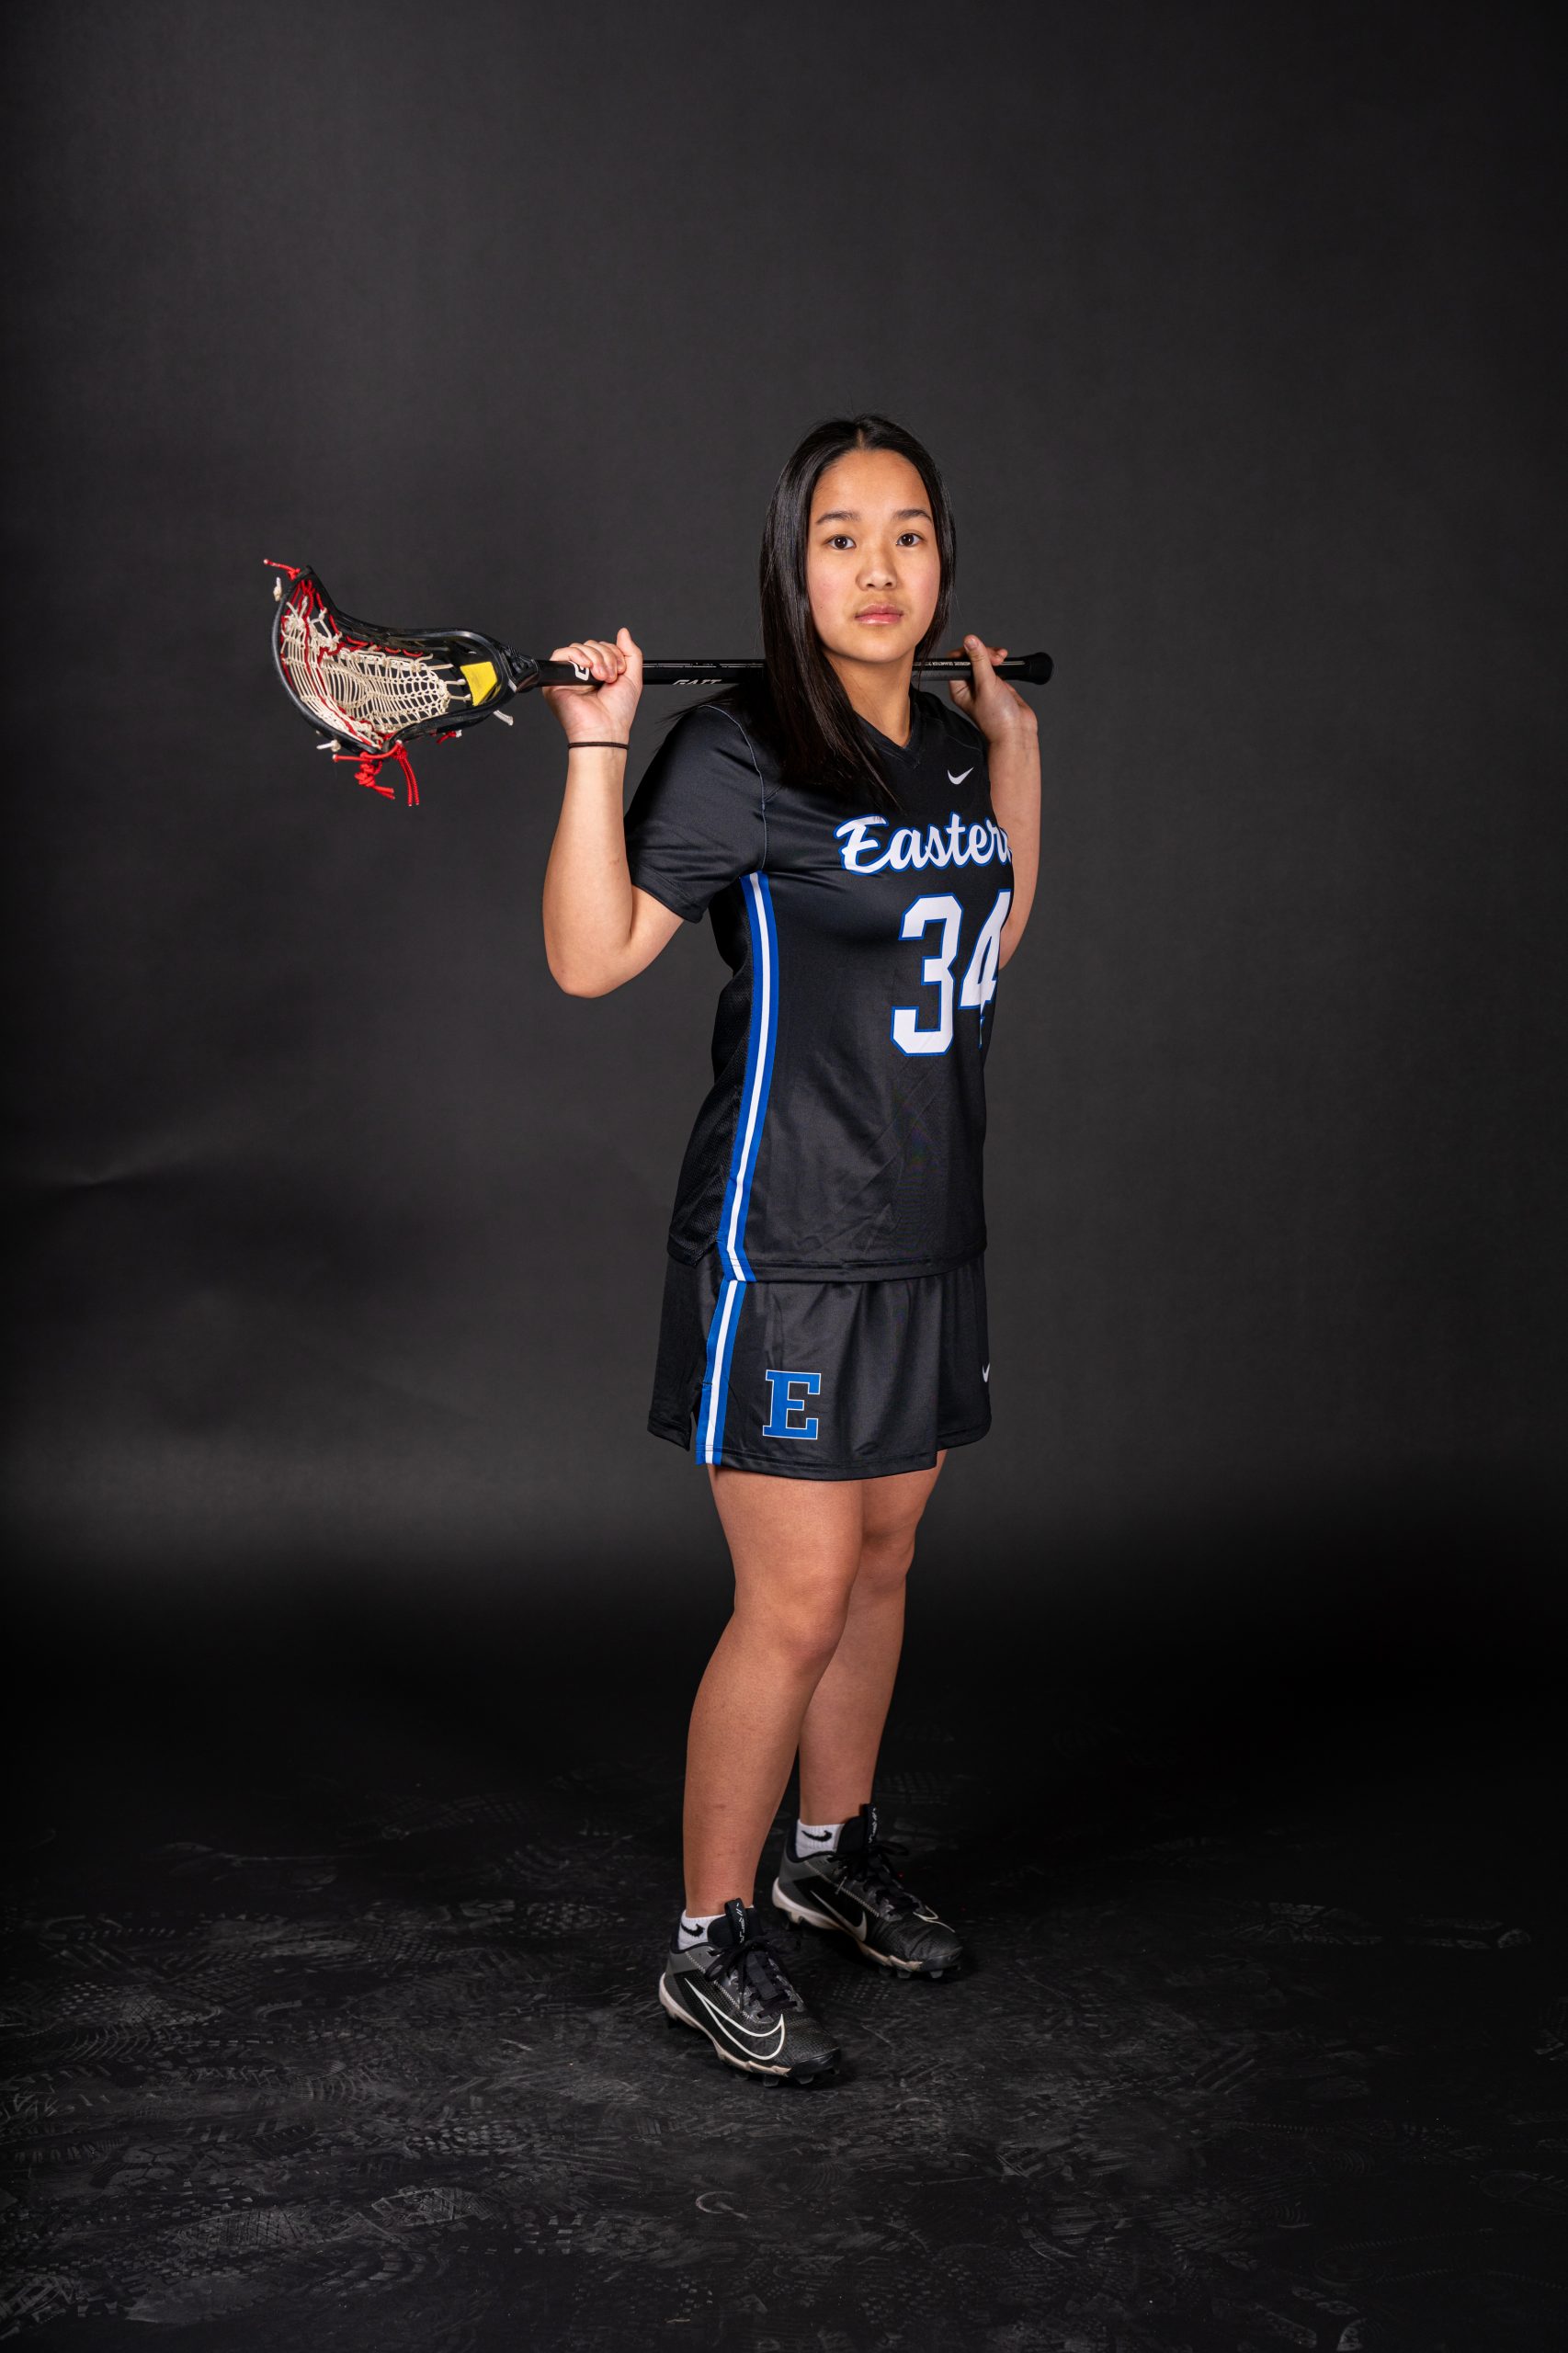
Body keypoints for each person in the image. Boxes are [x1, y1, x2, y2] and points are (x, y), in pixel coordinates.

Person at [540, 415, 1041, 2083]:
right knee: (799, 1595)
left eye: (907, 533)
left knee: (883, 1564)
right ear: (790, 564)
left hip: (927, 1234)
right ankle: (706, 1942)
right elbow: (591, 957)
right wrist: (599, 747)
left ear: (943, 559)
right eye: (840, 537)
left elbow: (985, 938)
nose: (878, 568)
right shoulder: (738, 752)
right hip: (785, 1247)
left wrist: (1016, 754)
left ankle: (829, 1861)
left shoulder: (955, 746)